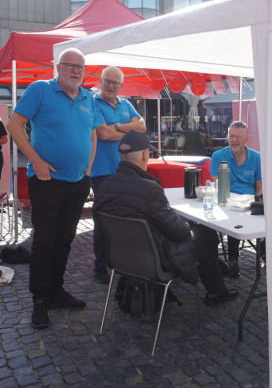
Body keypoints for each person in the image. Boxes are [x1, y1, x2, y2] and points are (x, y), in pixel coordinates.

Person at [7, 48, 99, 329]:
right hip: (47, 181)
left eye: (80, 67)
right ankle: (39, 298)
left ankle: (56, 291)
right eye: (70, 65)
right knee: (44, 241)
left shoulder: (88, 98)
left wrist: (89, 167)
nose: (75, 71)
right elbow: (14, 125)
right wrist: (36, 160)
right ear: (58, 67)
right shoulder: (40, 90)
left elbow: (92, 133)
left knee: (65, 239)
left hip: (77, 182)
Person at [93, 131, 238, 305]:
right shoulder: (149, 189)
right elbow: (178, 232)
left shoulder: (104, 187)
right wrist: (187, 223)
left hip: (119, 258)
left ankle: (218, 268)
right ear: (146, 155)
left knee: (197, 232)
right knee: (206, 233)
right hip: (156, 260)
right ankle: (217, 289)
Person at [91, 66, 146, 284]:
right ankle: (100, 265)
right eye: (108, 81)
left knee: (127, 217)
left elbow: (141, 126)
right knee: (104, 219)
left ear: (121, 86)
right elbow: (102, 133)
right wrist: (128, 131)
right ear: (101, 81)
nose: (111, 86)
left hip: (128, 170)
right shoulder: (93, 103)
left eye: (116, 83)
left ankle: (122, 261)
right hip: (103, 171)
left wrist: (118, 126)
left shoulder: (126, 103)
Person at [210, 121, 262, 277]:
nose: (234, 140)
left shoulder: (257, 157)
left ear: (247, 138)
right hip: (226, 200)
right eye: (231, 136)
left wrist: (257, 203)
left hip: (248, 202)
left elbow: (259, 186)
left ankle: (234, 261)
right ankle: (219, 260)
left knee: (240, 219)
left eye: (238, 136)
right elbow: (216, 184)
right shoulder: (218, 155)